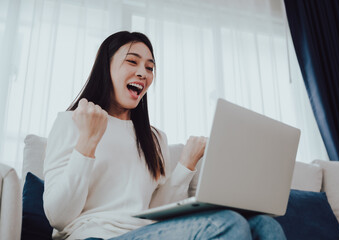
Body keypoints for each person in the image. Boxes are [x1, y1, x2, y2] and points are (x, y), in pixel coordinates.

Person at [43, 31, 286, 240]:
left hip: (145, 232)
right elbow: (58, 217)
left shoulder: (154, 137)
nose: (143, 73)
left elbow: (153, 210)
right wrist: (88, 142)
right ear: (105, 67)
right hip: (94, 234)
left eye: (150, 67)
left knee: (265, 225)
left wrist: (186, 164)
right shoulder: (72, 122)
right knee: (226, 223)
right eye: (132, 62)